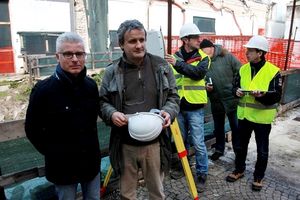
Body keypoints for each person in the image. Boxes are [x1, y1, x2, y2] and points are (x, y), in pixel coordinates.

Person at [99, 19, 180, 200]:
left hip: (155, 143)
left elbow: (174, 97)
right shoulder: (112, 71)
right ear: (121, 44)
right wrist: (112, 114)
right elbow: (102, 102)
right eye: (132, 41)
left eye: (142, 40)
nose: (139, 45)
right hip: (125, 144)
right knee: (127, 194)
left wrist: (169, 111)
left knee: (157, 193)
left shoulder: (161, 66)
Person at [25, 32, 101, 200]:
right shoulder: (43, 90)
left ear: (84, 56)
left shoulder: (91, 86)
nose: (75, 59)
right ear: (57, 56)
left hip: (90, 163)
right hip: (62, 168)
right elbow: (32, 129)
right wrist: (54, 153)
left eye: (79, 53)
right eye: (68, 54)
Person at [226, 35, 282, 191]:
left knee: (262, 150)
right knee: (240, 146)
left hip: (262, 119)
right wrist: (235, 92)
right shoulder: (243, 69)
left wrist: (262, 95)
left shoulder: (273, 71)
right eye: (247, 50)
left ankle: (258, 177)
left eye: (250, 51)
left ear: (260, 52)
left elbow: (276, 96)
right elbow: (234, 87)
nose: (247, 53)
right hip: (244, 117)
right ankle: (239, 170)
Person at [165, 23, 210, 192]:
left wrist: (177, 64)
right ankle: (182, 167)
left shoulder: (204, 58)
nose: (200, 40)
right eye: (196, 38)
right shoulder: (174, 57)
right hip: (177, 106)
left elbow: (198, 73)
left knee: (198, 142)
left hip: (195, 106)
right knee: (180, 140)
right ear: (185, 40)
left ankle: (202, 173)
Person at [200, 39, 242, 161]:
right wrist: (206, 86)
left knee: (236, 127)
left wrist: (235, 87)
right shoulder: (203, 62)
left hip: (232, 99)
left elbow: (239, 71)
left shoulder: (227, 57)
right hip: (216, 100)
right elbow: (200, 78)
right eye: (201, 51)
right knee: (218, 127)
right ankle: (219, 149)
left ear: (211, 47)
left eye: (204, 50)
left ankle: (238, 152)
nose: (202, 53)